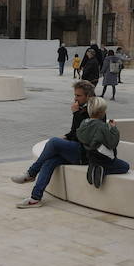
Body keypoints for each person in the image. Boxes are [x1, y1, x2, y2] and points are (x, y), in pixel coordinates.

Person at [9, 80, 95, 208]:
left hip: (85, 154)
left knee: (54, 142)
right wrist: (66, 136)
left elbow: (85, 135)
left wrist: (76, 114)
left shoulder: (96, 110)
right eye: (75, 95)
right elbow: (74, 132)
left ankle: (31, 173)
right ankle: (35, 198)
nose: (75, 98)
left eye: (78, 95)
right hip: (77, 150)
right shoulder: (81, 108)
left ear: (88, 96)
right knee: (50, 161)